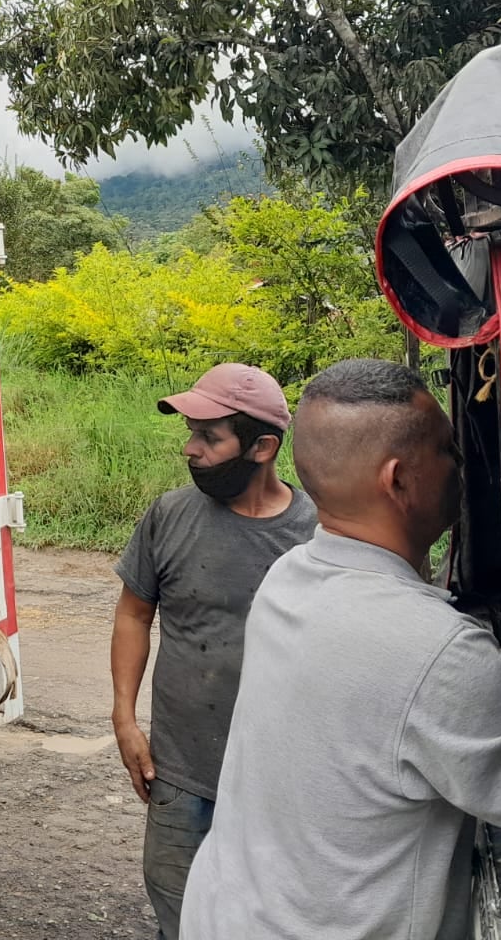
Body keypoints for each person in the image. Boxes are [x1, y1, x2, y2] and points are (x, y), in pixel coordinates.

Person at [182, 358, 501, 940]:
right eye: (448, 450)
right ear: (399, 480)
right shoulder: (436, 652)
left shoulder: (289, 576)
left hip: (225, 917)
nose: (461, 466)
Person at [111, 363, 317, 940]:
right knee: (181, 916)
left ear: (262, 448)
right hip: (181, 771)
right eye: (190, 434)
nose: (190, 449)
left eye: (208, 436)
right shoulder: (169, 516)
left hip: (284, 782)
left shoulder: (318, 533)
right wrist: (124, 718)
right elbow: (133, 614)